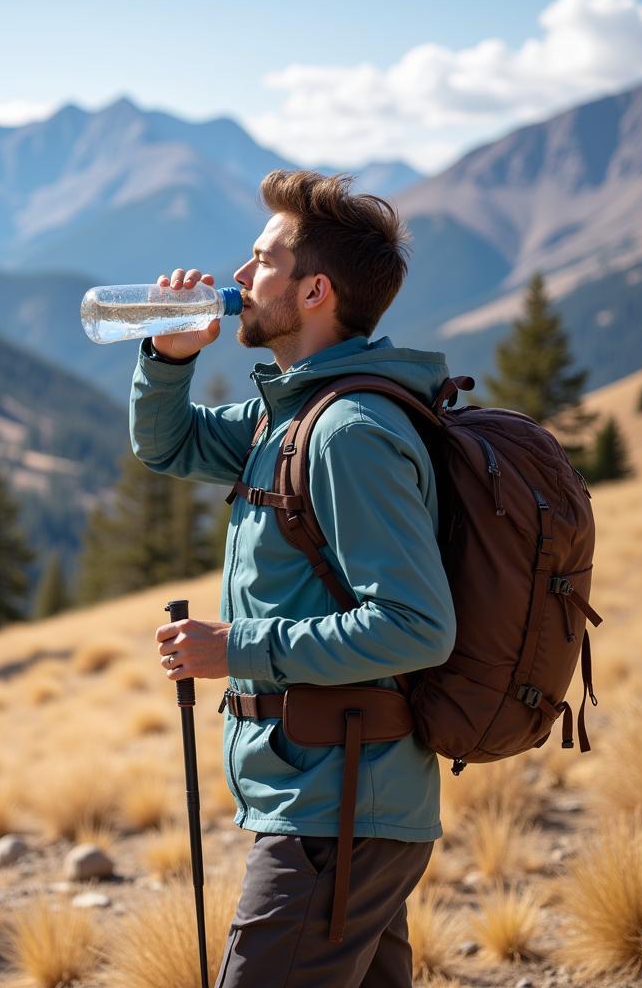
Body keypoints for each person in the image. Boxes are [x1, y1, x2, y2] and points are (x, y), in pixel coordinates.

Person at [128, 169, 457, 987]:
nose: (237, 279)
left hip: (336, 810)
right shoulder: (290, 416)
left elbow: (417, 625)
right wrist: (169, 359)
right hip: (339, 805)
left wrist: (235, 648)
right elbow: (168, 446)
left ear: (314, 291)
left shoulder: (348, 431)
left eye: (260, 260)